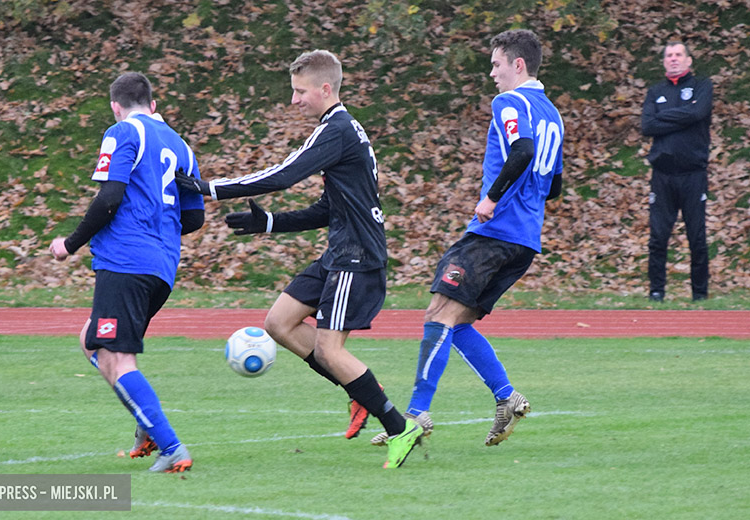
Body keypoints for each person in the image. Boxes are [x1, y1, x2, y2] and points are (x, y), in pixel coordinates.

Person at [176, 49, 423, 468]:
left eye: (299, 91)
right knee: (279, 323)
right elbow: (328, 209)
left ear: (325, 89)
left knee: (330, 349)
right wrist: (268, 223)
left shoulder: (338, 129)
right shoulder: (341, 130)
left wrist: (210, 188)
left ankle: (400, 427)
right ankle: (360, 390)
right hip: (340, 250)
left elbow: (284, 173)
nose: (294, 101)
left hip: (357, 256)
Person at [370, 29, 563, 448]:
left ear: (518, 65)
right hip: (526, 239)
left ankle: (416, 415)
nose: (491, 73)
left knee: (438, 314)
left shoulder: (510, 102)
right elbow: (556, 183)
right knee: (454, 323)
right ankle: (506, 397)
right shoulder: (552, 112)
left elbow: (523, 150)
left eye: (496, 64)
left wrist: (492, 199)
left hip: (496, 232)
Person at [49, 72, 205, 473]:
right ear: (154, 105)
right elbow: (193, 218)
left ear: (116, 107)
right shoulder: (183, 147)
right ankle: (147, 424)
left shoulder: (122, 132)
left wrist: (70, 243)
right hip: (162, 268)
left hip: (125, 261)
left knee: (117, 359)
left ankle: (172, 448)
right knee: (91, 341)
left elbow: (110, 197)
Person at [641, 41, 712, 302]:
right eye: (669, 55)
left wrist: (665, 118)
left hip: (693, 174)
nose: (673, 59)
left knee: (697, 237)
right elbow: (647, 126)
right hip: (662, 175)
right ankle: (656, 293)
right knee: (658, 238)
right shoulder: (655, 91)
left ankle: (700, 294)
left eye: (678, 55)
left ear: (689, 60)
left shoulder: (702, 86)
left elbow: (698, 113)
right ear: (663, 61)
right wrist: (683, 115)